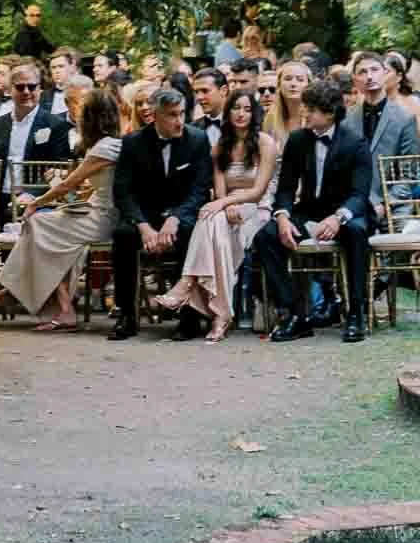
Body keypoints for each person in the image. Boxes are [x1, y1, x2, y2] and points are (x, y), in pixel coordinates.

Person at [0, 88, 126, 329]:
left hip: (103, 219)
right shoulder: (107, 144)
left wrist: (36, 203)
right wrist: (76, 193)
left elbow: (70, 183)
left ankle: (13, 293)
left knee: (37, 222)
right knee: (44, 232)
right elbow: (98, 185)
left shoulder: (104, 147)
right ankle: (51, 304)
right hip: (96, 211)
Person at [252, 76, 373, 344]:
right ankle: (296, 314)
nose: (303, 112)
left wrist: (338, 217)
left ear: (330, 114)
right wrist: (282, 216)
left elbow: (359, 194)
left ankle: (356, 313)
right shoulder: (297, 140)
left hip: (345, 212)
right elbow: (285, 188)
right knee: (265, 238)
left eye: (311, 108)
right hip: (307, 211)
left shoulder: (356, 143)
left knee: (355, 232)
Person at [156, 86, 277, 342]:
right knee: (212, 220)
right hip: (227, 207)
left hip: (257, 208)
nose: (241, 114)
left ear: (254, 113)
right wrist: (225, 204)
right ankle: (222, 313)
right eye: (236, 108)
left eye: (246, 109)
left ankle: (187, 282)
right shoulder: (221, 145)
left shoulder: (266, 143)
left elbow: (257, 192)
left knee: (211, 217)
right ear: (228, 111)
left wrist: (225, 203)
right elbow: (220, 190)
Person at [108, 84, 211, 340]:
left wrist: (176, 218)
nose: (179, 121)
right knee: (123, 235)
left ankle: (188, 316)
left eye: (182, 113)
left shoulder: (197, 139)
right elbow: (122, 192)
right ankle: (126, 315)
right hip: (145, 215)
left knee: (190, 235)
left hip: (181, 214)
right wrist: (143, 226)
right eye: (172, 115)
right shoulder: (133, 142)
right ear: (155, 115)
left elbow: (200, 189)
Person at [0, 61, 73, 227]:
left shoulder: (55, 125)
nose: (27, 92)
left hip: (37, 199)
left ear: (39, 89)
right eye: (20, 87)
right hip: (1, 197)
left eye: (31, 87)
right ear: (10, 89)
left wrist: (32, 194)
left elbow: (60, 168)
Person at [342, 51, 420, 199]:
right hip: (352, 203)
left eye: (374, 70)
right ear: (355, 80)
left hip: (391, 205)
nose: (369, 76)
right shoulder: (347, 120)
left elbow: (409, 176)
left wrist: (384, 203)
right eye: (362, 72)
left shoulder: (405, 118)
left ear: (385, 73)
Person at [384, 50, 420, 150]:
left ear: (399, 76)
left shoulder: (413, 102)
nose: (380, 76)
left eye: (386, 72)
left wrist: (401, 139)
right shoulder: (367, 102)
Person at [266, 59, 313, 150]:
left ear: (309, 85)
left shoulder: (316, 118)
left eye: (300, 80)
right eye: (288, 79)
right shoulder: (270, 119)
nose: (293, 84)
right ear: (279, 85)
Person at [190, 63, 229, 147]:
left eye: (205, 91)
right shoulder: (192, 129)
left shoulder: (239, 124)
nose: (199, 97)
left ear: (223, 90)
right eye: (196, 92)